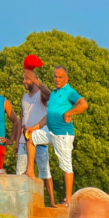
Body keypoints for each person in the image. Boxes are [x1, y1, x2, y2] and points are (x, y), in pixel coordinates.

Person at [33, 66, 87, 203]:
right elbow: (49, 115)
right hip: (50, 132)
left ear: (66, 79)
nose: (57, 79)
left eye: (60, 77)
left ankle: (68, 200)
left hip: (63, 134)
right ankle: (29, 172)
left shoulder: (69, 92)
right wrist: (32, 127)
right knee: (31, 138)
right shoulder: (54, 93)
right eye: (55, 77)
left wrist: (69, 113)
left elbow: (83, 104)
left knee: (66, 165)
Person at [17, 58, 54, 207]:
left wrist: (35, 80)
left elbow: (50, 94)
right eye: (24, 79)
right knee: (21, 173)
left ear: (34, 79)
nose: (24, 82)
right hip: (23, 141)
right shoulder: (24, 97)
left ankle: (51, 203)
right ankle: (21, 204)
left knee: (45, 173)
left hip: (38, 139)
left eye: (27, 79)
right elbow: (22, 118)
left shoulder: (41, 95)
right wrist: (17, 141)